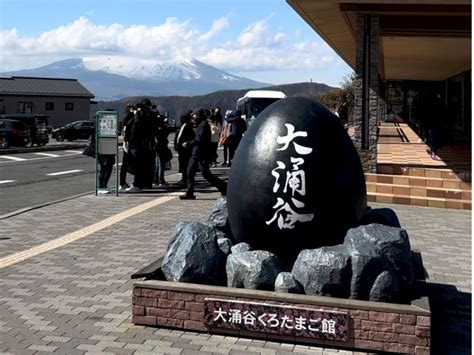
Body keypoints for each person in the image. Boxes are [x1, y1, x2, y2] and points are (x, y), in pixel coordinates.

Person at [180, 109, 227, 200]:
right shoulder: (201, 124)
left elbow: (199, 139)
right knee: (190, 172)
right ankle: (190, 193)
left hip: (200, 154)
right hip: (196, 153)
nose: (193, 118)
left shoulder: (203, 125)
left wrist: (188, 143)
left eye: (195, 116)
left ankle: (224, 186)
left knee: (206, 174)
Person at [126, 98, 156, 192]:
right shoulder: (150, 116)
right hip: (146, 144)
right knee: (146, 165)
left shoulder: (139, 118)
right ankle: (146, 183)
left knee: (137, 164)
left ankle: (137, 184)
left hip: (137, 144)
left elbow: (132, 129)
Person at [174, 109, 195, 186]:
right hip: (186, 148)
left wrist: (178, 145)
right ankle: (185, 178)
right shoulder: (189, 126)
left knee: (184, 164)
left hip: (184, 148)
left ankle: (185, 179)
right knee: (185, 164)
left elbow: (179, 137)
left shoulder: (185, 126)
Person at [119, 104, 135, 190]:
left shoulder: (124, 123)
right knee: (134, 164)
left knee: (124, 165)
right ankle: (135, 184)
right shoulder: (131, 121)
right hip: (131, 145)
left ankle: (122, 183)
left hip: (126, 145)